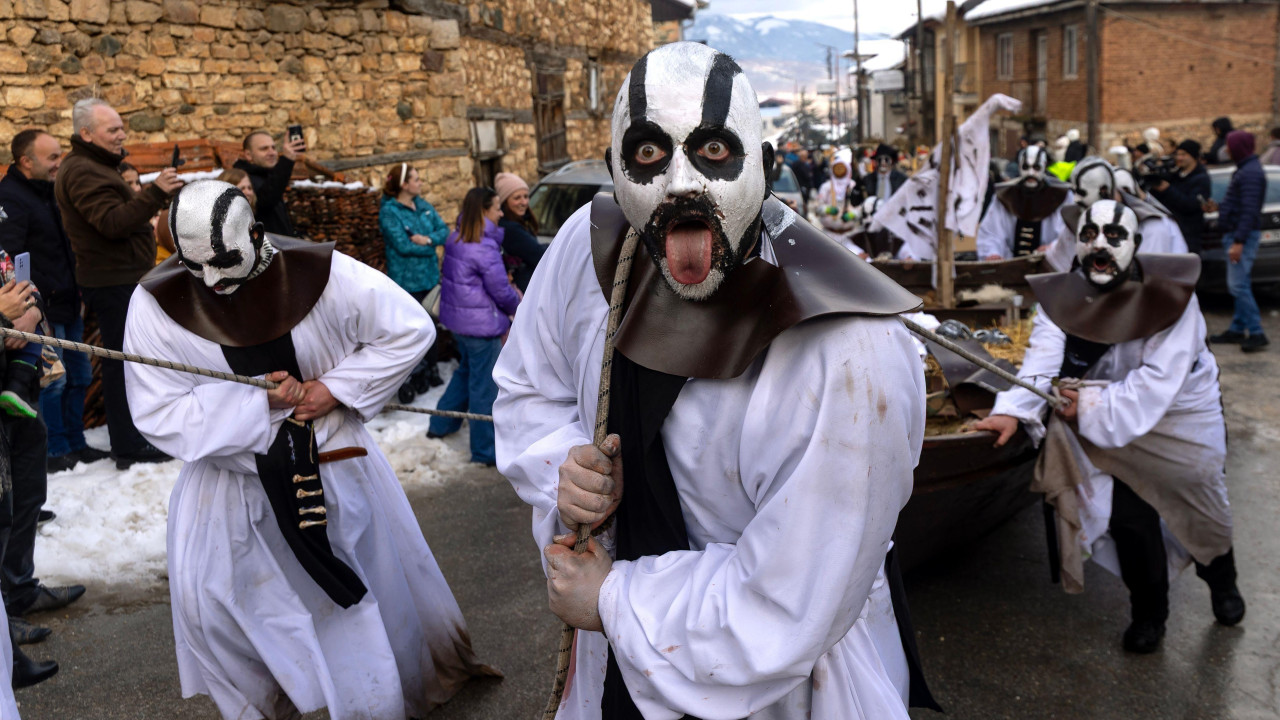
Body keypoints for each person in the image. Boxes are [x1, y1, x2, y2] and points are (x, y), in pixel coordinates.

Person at [493, 42, 937, 720]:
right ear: (615, 169)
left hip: (783, 686)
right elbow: (530, 387)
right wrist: (561, 464)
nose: (679, 185)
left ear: (766, 162)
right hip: (612, 656)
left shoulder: (850, 346)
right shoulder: (587, 250)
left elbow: (793, 594)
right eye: (647, 154)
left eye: (713, 151)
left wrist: (614, 598)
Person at [123, 180, 498, 720]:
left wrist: (333, 389)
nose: (210, 281)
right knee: (229, 608)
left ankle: (372, 704)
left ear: (254, 234)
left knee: (351, 603)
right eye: (194, 264)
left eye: (224, 261)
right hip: (232, 488)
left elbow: (408, 328)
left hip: (333, 468)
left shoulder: (321, 273)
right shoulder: (155, 302)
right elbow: (157, 409)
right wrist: (259, 407)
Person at [976, 200, 1245, 654]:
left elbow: (1162, 379)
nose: (1100, 245)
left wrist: (1093, 403)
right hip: (1101, 425)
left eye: (1114, 236)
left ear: (1136, 245)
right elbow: (1041, 363)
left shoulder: (1174, 296)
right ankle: (1149, 613)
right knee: (1130, 522)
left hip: (1177, 422)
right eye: (1089, 235)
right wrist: (1014, 409)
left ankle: (1222, 580)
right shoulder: (1061, 297)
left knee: (1201, 508)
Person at [55, 98, 180, 468]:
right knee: (122, 362)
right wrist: (154, 192)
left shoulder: (95, 165)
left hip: (122, 278)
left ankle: (135, 436)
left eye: (121, 127)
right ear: (86, 134)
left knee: (130, 361)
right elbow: (111, 223)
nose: (121, 134)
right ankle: (127, 444)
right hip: (113, 283)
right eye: (113, 130)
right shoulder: (82, 171)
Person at [1, 129, 97, 467]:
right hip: (41, 308)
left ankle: (75, 441)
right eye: (52, 157)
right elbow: (11, 260)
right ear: (26, 161)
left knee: (80, 376)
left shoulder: (50, 192)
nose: (60, 163)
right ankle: (54, 450)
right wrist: (30, 307)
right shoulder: (11, 198)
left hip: (70, 300)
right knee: (53, 382)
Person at [426, 187, 519, 466]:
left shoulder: (457, 236)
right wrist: (518, 309)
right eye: (497, 208)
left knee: (466, 373)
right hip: (481, 326)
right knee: (483, 388)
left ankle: (440, 425)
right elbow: (501, 290)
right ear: (484, 211)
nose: (501, 213)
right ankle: (485, 451)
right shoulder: (483, 246)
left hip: (459, 324)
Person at [378, 163, 450, 399]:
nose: (420, 183)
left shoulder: (423, 206)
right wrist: (430, 247)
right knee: (412, 331)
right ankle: (414, 374)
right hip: (407, 282)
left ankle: (431, 368)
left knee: (432, 326)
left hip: (429, 278)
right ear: (403, 184)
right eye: (416, 179)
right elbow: (402, 245)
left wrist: (427, 240)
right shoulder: (390, 211)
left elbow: (444, 232)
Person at [1044, 157, 1187, 272]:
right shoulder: (1080, 216)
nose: (1075, 199)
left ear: (1104, 191)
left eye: (1081, 193)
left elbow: (1150, 278)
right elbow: (1061, 263)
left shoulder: (1152, 226)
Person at [1204, 130, 1269, 352]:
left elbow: (1250, 211)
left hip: (1241, 236)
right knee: (1240, 284)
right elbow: (1241, 205)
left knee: (1238, 285)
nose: (1226, 149)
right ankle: (1238, 328)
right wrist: (1221, 208)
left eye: (1230, 145)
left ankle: (1257, 332)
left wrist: (1239, 241)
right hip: (1236, 233)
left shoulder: (1250, 173)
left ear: (1238, 147)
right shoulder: (1245, 169)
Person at [977, 145, 1072, 259]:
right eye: (1026, 167)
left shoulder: (1062, 195)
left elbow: (1069, 233)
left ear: (1044, 166)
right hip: (1011, 266)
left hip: (1050, 265)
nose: (1030, 173)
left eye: (1036, 167)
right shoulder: (1005, 196)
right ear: (1019, 167)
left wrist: (1053, 248)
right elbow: (991, 232)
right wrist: (993, 253)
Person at [232, 130, 304, 236]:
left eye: (273, 148)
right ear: (248, 154)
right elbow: (265, 200)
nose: (272, 152)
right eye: (264, 149)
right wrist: (287, 160)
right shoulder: (244, 179)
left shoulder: (267, 176)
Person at [1150, 139, 1213, 253]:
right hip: (1172, 232)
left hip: (1189, 236)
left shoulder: (1201, 179)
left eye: (1183, 154)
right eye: (1178, 154)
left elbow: (1190, 205)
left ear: (1193, 156)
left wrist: (1167, 189)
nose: (1179, 158)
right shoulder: (1175, 175)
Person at [494, 171, 547, 293]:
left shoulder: (520, 222)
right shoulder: (511, 229)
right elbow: (538, 254)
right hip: (524, 290)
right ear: (505, 202)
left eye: (526, 196)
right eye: (517, 198)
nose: (523, 202)